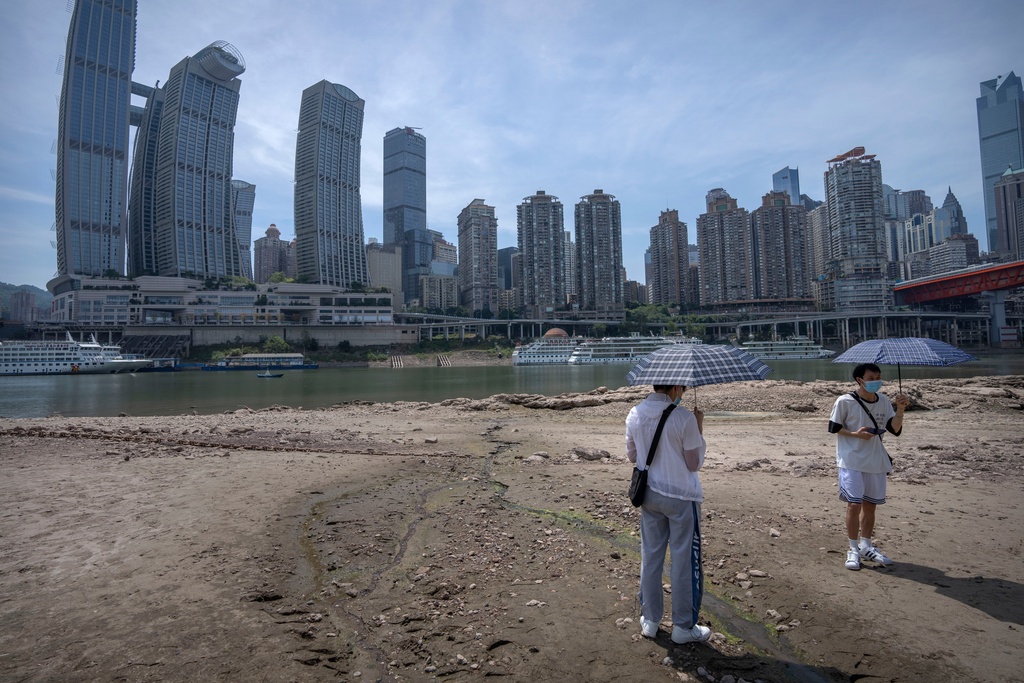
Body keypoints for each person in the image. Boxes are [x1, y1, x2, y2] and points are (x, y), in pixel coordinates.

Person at [625, 384, 710, 644]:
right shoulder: (684, 418)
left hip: (650, 494)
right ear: (675, 387)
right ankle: (683, 626)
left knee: (651, 557)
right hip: (682, 497)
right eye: (682, 387)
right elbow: (693, 464)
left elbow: (632, 456)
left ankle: (650, 620)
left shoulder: (635, 413)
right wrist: (699, 428)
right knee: (684, 561)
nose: (683, 391)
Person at [828, 363, 910, 571]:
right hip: (851, 460)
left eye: (878, 376)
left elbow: (894, 429)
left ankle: (866, 545)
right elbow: (834, 427)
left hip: (875, 461)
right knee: (854, 505)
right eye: (871, 377)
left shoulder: (883, 401)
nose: (876, 380)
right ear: (859, 380)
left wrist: (900, 409)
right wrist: (856, 434)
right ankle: (853, 549)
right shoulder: (845, 401)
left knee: (870, 505)